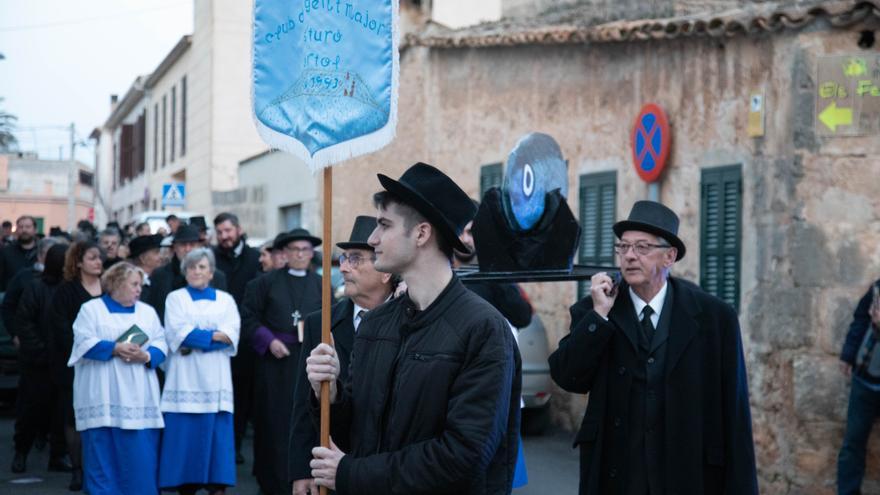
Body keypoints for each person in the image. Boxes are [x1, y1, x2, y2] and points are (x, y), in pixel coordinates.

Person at [306, 163, 521, 494]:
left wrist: (354, 473)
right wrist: (332, 395)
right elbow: (358, 434)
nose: (373, 238)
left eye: (384, 225)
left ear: (421, 233)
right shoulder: (376, 323)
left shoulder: (483, 329)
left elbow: (464, 456)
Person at [548, 200, 758, 494]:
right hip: (618, 474)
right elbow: (567, 376)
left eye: (642, 248)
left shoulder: (715, 318)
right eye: (623, 247)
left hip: (689, 473)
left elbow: (735, 416)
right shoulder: (596, 310)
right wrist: (598, 317)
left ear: (669, 256)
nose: (629, 256)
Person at [288, 216, 397, 495]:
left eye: (356, 259)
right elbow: (304, 401)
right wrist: (302, 467)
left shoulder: (409, 322)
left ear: (385, 270)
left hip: (385, 467)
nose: (344, 267)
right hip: (332, 463)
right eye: (344, 258)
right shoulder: (321, 323)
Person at [67, 262, 166, 495]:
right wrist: (115, 348)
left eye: (140, 285)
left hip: (138, 398)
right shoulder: (91, 310)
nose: (138, 289)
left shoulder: (147, 312)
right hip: (101, 396)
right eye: (134, 284)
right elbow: (83, 342)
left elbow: (162, 342)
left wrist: (147, 354)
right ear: (117, 283)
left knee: (139, 461)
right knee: (103, 463)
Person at [241, 228, 323, 495]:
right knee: (273, 425)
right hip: (274, 366)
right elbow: (248, 318)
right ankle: (272, 482)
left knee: (305, 424)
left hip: (307, 363)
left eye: (305, 250)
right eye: (295, 250)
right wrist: (268, 341)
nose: (300, 255)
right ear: (284, 253)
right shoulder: (264, 283)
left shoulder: (321, 285)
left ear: (312, 254)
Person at [159, 248, 240, 494]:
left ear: (211, 271)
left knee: (217, 440)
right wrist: (213, 336)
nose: (197, 271)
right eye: (192, 267)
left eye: (202, 267)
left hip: (217, 380)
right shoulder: (175, 298)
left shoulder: (226, 300)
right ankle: (186, 484)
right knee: (186, 442)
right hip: (184, 379)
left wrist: (195, 337)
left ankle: (216, 483)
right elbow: (176, 334)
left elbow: (231, 336)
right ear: (185, 272)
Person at [48, 240, 104, 491]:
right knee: (74, 417)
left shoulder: (109, 288)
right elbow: (60, 328)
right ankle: (77, 468)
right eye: (92, 257)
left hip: (105, 362)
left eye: (99, 257)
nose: (98, 261)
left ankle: (98, 466)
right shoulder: (67, 291)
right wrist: (86, 349)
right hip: (73, 362)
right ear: (79, 262)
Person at [11, 243, 71, 474]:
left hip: (62, 361)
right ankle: (21, 452)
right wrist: (41, 351)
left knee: (60, 412)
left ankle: (58, 455)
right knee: (30, 410)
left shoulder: (69, 289)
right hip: (37, 363)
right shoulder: (36, 288)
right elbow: (24, 322)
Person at [212, 212, 262, 465]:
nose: (224, 236)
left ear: (239, 230)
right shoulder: (211, 258)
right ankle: (220, 446)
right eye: (219, 232)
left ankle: (237, 444)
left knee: (242, 395)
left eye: (228, 231)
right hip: (217, 339)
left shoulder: (255, 258)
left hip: (246, 339)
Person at [837, 278, 880, 494]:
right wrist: (847, 355)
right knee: (852, 444)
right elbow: (859, 321)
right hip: (864, 380)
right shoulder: (876, 289)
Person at [148, 225, 227, 321]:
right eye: (183, 245)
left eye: (192, 245)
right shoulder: (159, 275)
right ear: (175, 248)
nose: (187, 249)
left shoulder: (216, 276)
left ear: (199, 247)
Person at [1, 237, 61, 346]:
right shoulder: (25, 277)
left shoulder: (65, 279)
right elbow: (9, 307)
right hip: (30, 342)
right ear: (40, 256)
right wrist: (15, 334)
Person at [0, 215, 39, 291]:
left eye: (28, 227)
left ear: (35, 230)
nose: (24, 230)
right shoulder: (5, 252)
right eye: (21, 227)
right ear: (17, 230)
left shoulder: (42, 252)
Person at [129, 234, 163, 305]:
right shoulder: (131, 282)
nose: (161, 257)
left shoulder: (158, 278)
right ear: (143, 258)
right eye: (156, 253)